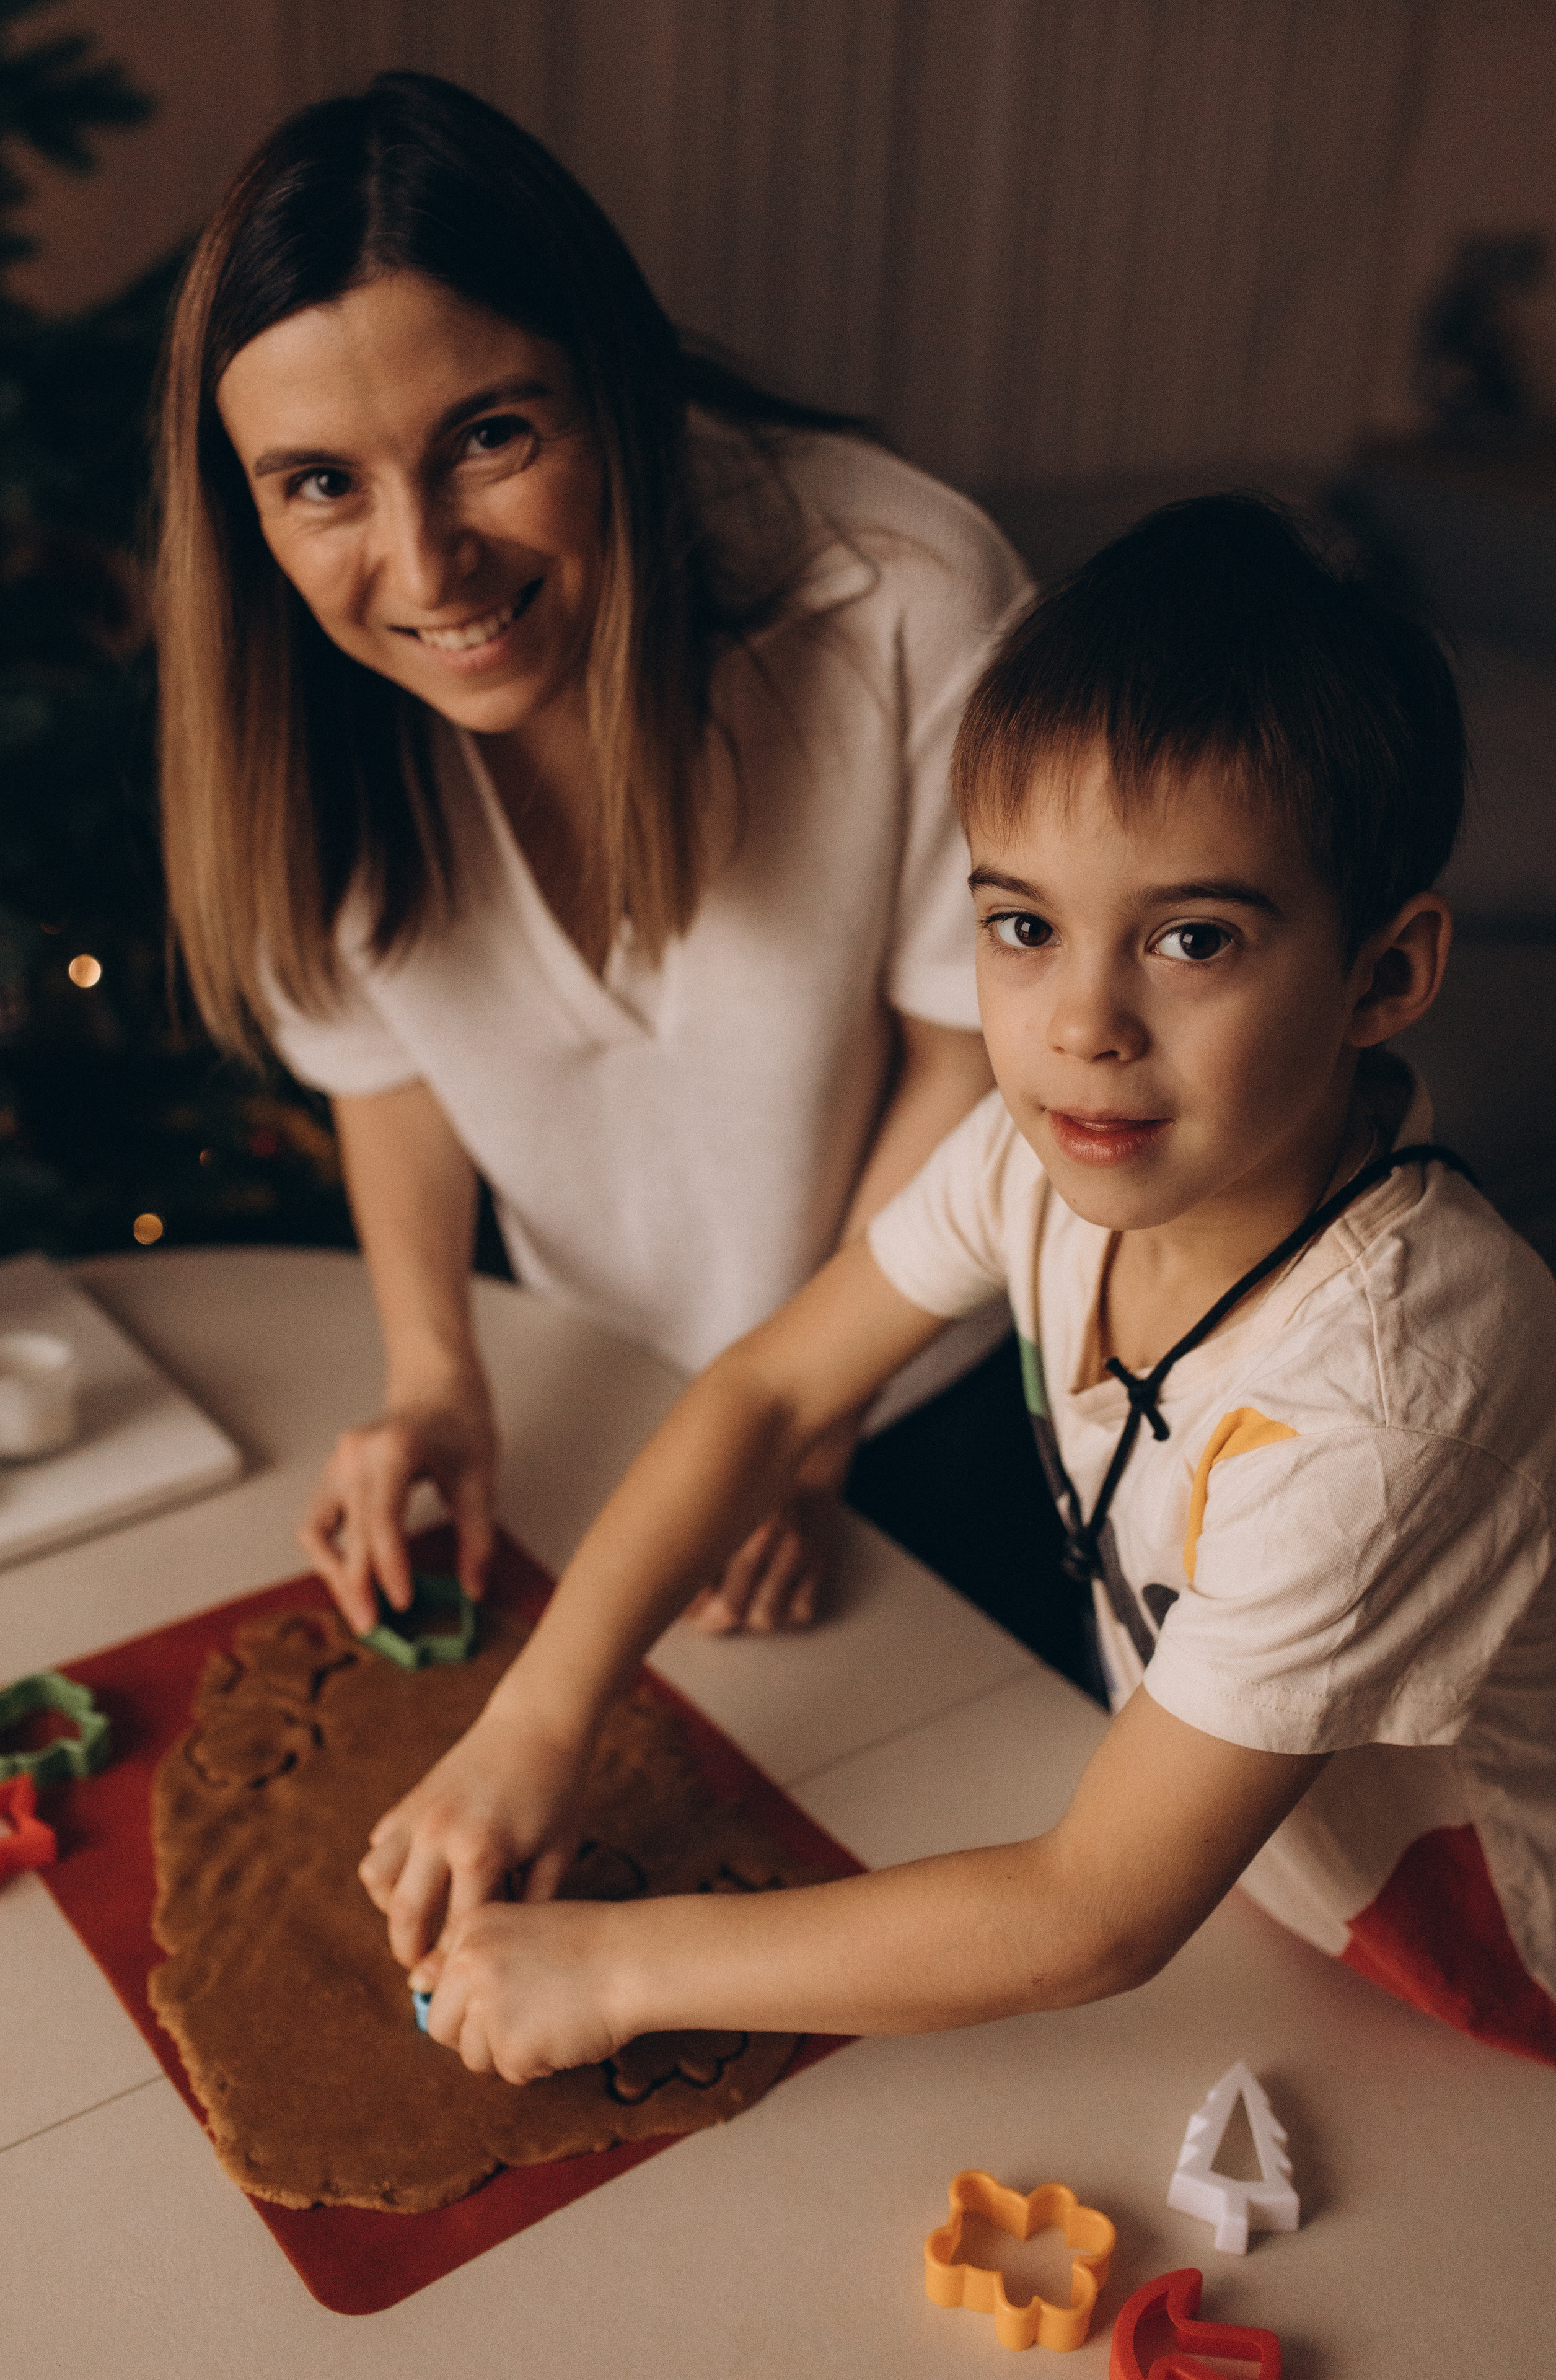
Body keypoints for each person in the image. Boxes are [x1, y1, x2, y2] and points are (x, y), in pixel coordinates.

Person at [359, 496, 1556, 2078]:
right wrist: (534, 1719)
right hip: (1267, 1874)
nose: (1081, 1024)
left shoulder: (1390, 1390)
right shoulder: (1040, 1152)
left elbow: (1093, 1915)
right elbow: (770, 1386)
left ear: (1383, 976)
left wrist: (620, 1962)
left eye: (1190, 938)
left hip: (1491, 1948)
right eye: (1020, 926)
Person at [153, 71, 1055, 1648]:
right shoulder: (291, 684)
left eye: (488, 436)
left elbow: (968, 1053)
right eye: (322, 486)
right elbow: (392, 1066)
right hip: (601, 1385)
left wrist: (796, 1421)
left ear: (613, 385)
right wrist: (436, 1373)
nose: (426, 568)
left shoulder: (908, 592)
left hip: (910, 1397)